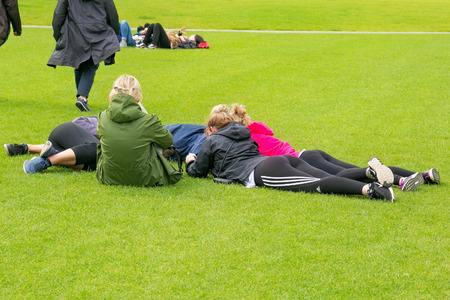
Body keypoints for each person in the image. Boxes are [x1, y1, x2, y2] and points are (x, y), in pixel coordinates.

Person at [219, 104, 440, 191]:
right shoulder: (259, 129)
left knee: (349, 176)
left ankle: (401, 181)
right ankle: (421, 175)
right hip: (309, 153)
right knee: (358, 169)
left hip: (305, 161)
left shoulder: (247, 139)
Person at [186, 111, 396, 202]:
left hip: (264, 169)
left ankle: (370, 190)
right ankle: (369, 173)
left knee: (317, 184)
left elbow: (197, 172)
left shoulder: (212, 140)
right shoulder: (244, 132)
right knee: (322, 176)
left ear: (212, 129)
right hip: (283, 160)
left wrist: (191, 161)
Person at [96, 74, 181, 187]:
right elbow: (167, 141)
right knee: (156, 141)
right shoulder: (148, 121)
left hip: (108, 176)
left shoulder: (102, 117)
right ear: (138, 97)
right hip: (146, 177)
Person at [47, 0, 120, 112]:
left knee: (80, 64)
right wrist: (114, 33)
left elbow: (58, 15)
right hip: (98, 33)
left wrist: (58, 35)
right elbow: (112, 15)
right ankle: (82, 97)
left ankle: (81, 98)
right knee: (90, 66)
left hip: (74, 32)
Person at [137, 23, 204, 49]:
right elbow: (178, 39)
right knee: (152, 25)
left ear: (195, 38)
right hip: (169, 41)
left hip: (169, 44)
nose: (191, 35)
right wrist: (179, 34)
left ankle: (154, 44)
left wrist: (182, 39)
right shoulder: (188, 40)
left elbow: (184, 45)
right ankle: (144, 43)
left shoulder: (193, 44)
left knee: (157, 25)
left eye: (193, 35)